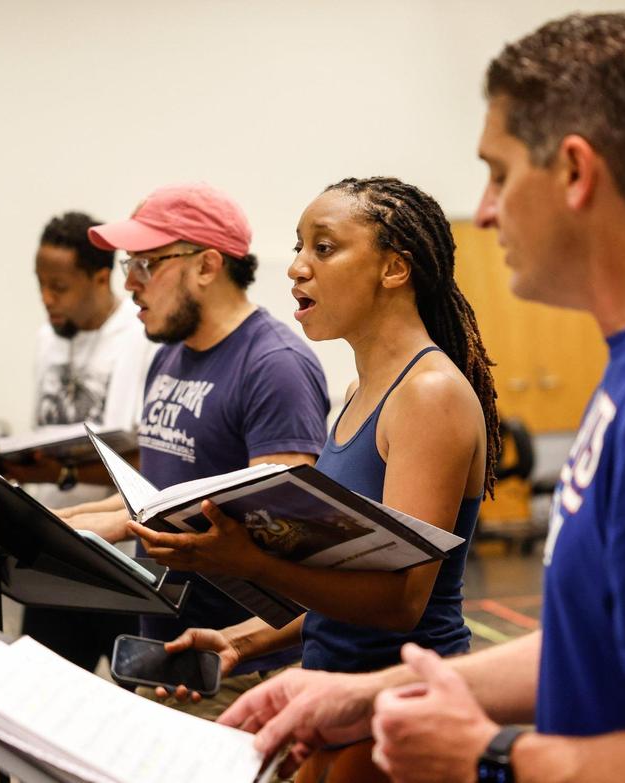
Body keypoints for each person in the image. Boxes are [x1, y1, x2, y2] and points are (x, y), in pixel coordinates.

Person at [218, 13, 625, 783]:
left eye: (499, 173)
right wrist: (370, 693)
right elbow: (595, 632)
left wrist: (487, 753)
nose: (487, 209)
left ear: (575, 172)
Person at [128, 177, 500, 779]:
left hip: (394, 713)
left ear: (394, 269)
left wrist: (247, 560)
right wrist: (242, 643)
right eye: (298, 247)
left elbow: (401, 602)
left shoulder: (429, 395)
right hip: (334, 696)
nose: (297, 268)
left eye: (323, 249)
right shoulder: (359, 391)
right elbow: (344, 586)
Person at [62, 182, 331, 717]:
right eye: (127, 267)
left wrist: (120, 526)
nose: (132, 285)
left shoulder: (273, 365)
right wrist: (60, 522)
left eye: (147, 264)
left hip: (238, 666)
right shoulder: (171, 357)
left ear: (207, 266)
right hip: (164, 650)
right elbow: (160, 493)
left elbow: (278, 524)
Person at [0, 211, 155, 671]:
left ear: (101, 278)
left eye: (59, 287)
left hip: (115, 560)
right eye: (40, 284)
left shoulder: (140, 337)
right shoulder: (49, 337)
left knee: (140, 701)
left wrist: (59, 471)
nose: (47, 299)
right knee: (43, 694)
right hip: (49, 550)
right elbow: (47, 427)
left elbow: (138, 457)